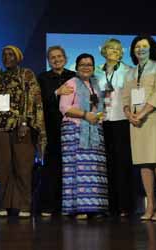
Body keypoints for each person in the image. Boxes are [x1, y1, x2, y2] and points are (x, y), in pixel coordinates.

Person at [0, 45, 46, 218]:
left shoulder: (26, 74)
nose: (7, 57)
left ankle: (24, 205)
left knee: (23, 166)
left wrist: (25, 122)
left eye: (11, 55)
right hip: (1, 126)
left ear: (18, 57)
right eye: (4, 54)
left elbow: (34, 99)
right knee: (3, 166)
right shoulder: (0, 76)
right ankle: (4, 204)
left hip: (21, 126)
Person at [122, 35, 156, 221]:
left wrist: (141, 114)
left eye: (144, 46)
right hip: (135, 122)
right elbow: (125, 97)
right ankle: (151, 205)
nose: (140, 49)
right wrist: (129, 114)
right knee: (143, 163)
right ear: (133, 50)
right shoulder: (130, 72)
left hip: (154, 117)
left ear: (151, 48)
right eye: (137, 46)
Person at [59, 53, 108, 220]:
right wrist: (86, 115)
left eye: (89, 64)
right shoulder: (71, 82)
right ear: (76, 67)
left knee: (95, 169)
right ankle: (78, 208)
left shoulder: (96, 84)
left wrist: (98, 116)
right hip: (75, 129)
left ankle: (95, 207)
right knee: (77, 169)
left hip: (94, 129)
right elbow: (65, 107)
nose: (86, 67)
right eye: (82, 64)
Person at [37, 46, 76, 217]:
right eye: (52, 57)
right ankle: (49, 205)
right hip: (51, 128)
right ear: (48, 60)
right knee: (52, 167)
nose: (56, 59)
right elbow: (38, 101)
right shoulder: (43, 78)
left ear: (65, 58)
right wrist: (56, 92)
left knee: (70, 167)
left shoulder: (73, 76)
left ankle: (69, 205)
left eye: (59, 56)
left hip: (72, 127)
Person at [97, 38, 134, 217]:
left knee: (122, 163)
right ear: (104, 51)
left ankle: (124, 204)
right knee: (107, 163)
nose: (114, 51)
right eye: (110, 48)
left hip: (121, 120)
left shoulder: (128, 71)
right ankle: (109, 204)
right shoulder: (97, 72)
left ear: (121, 53)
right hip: (103, 122)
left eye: (117, 49)